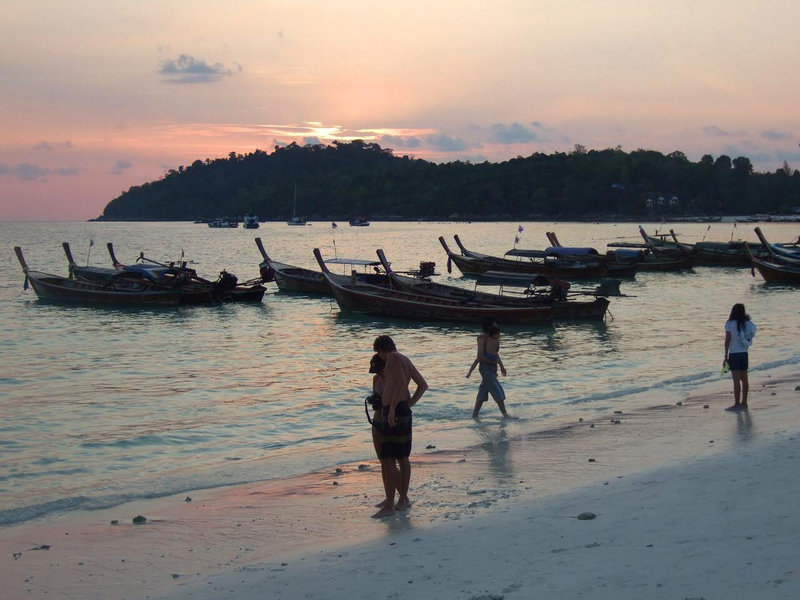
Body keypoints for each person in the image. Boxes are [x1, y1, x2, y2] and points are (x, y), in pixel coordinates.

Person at [371, 335, 427, 519]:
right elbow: (422, 385)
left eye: (379, 353)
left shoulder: (393, 358)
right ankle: (402, 499)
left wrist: (393, 409)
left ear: (382, 350)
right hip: (402, 410)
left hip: (394, 412)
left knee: (388, 458)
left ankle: (390, 504)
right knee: (402, 457)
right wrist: (408, 404)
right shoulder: (405, 359)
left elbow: (401, 383)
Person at [468, 317, 509, 418]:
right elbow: (480, 356)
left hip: (492, 368)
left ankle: (475, 415)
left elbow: (495, 354)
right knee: (496, 388)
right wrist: (491, 362)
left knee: (484, 389)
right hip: (485, 368)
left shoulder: (494, 339)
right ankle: (505, 415)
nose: (497, 326)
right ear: (490, 326)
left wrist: (501, 366)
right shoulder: (482, 338)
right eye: (495, 324)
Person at [724, 303, 757, 411]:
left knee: (736, 381)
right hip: (744, 354)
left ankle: (737, 404)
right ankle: (744, 403)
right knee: (745, 379)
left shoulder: (730, 323)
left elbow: (727, 340)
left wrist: (725, 356)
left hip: (734, 354)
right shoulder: (748, 323)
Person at [367, 353, 390, 507]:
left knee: (390, 461)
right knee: (382, 460)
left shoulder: (392, 378)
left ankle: (401, 496)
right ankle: (388, 496)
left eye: (379, 369)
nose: (378, 373)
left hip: (389, 421)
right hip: (377, 420)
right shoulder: (376, 379)